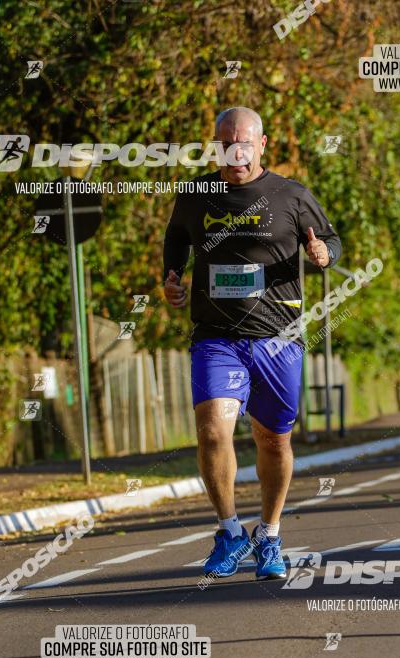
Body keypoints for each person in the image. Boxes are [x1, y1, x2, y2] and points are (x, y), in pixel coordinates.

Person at [163, 107, 341, 579]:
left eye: (243, 142)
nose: (234, 151)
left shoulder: (291, 194)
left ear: (262, 145)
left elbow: (330, 239)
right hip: (216, 337)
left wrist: (322, 253)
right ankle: (229, 531)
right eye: (225, 143)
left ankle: (270, 533)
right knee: (213, 430)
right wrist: (172, 275)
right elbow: (176, 239)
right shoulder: (196, 193)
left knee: (273, 441)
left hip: (278, 338)